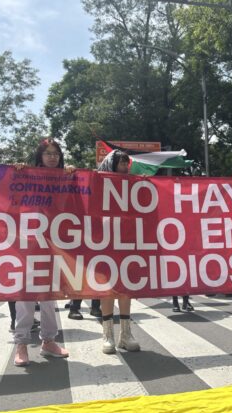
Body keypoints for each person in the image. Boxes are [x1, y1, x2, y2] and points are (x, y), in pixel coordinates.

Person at [13, 138, 71, 366]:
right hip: (28, 244)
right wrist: (17, 172)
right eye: (48, 153)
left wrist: (72, 176)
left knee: (49, 297)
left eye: (56, 153)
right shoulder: (27, 176)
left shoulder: (66, 177)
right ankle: (21, 344)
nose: (52, 157)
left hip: (53, 244)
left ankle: (48, 341)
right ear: (40, 156)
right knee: (25, 296)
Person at [97, 150, 140, 354]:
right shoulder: (98, 183)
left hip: (127, 242)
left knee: (125, 288)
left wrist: (146, 186)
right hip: (104, 243)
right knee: (107, 288)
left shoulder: (133, 184)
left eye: (126, 163)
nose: (125, 167)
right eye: (121, 163)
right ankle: (108, 335)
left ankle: (125, 334)